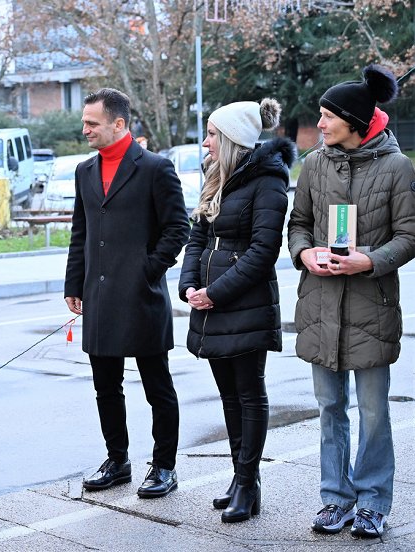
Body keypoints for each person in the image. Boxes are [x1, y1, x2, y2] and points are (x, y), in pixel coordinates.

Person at [288, 64, 415, 539]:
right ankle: (335, 499)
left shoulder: (397, 168)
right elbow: (298, 223)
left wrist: (370, 261)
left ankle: (373, 502)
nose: (319, 124)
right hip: (320, 304)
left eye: (327, 116)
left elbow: (409, 235)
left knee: (374, 413)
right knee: (329, 408)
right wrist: (305, 253)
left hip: (371, 307)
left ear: (354, 121)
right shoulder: (314, 164)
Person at [64, 88, 190, 498]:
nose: (85, 129)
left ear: (118, 124)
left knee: (157, 387)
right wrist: (74, 283)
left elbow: (178, 228)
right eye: (84, 122)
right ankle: (117, 461)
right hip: (98, 297)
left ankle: (165, 466)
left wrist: (147, 270)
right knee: (105, 387)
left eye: (92, 123)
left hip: (141, 296)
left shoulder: (155, 167)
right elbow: (80, 232)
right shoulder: (84, 171)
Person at [178, 98, 293, 522]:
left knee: (249, 393)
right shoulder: (216, 175)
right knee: (229, 395)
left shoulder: (268, 181)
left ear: (230, 139)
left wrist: (217, 293)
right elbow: (198, 238)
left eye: (211, 134)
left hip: (244, 302)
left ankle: (248, 483)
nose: (205, 142)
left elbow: (264, 251)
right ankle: (239, 477)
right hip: (211, 303)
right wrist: (189, 285)